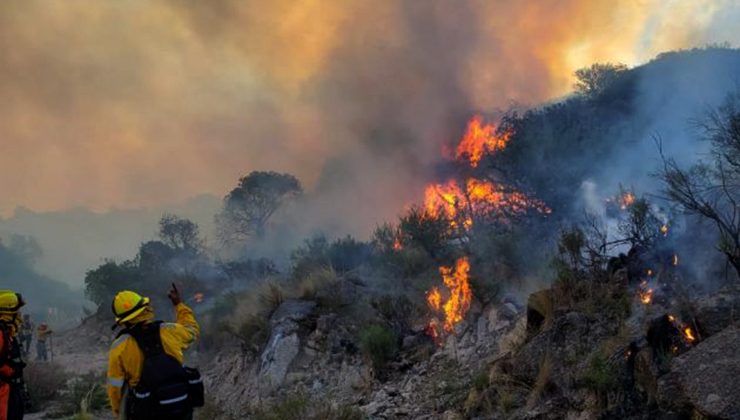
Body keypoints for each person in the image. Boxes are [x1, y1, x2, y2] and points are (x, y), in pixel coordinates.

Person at [107, 284, 200, 420]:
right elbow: (192, 331)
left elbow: (115, 388)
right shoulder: (169, 331)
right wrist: (179, 305)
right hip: (179, 407)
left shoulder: (119, 347)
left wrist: (118, 413)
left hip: (146, 410)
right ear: (145, 309)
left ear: (122, 321)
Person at [0, 290, 27, 420]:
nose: (19, 315)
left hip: (11, 390)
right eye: (17, 311)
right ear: (8, 311)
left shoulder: (7, 333)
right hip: (3, 391)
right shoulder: (0, 333)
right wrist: (9, 371)